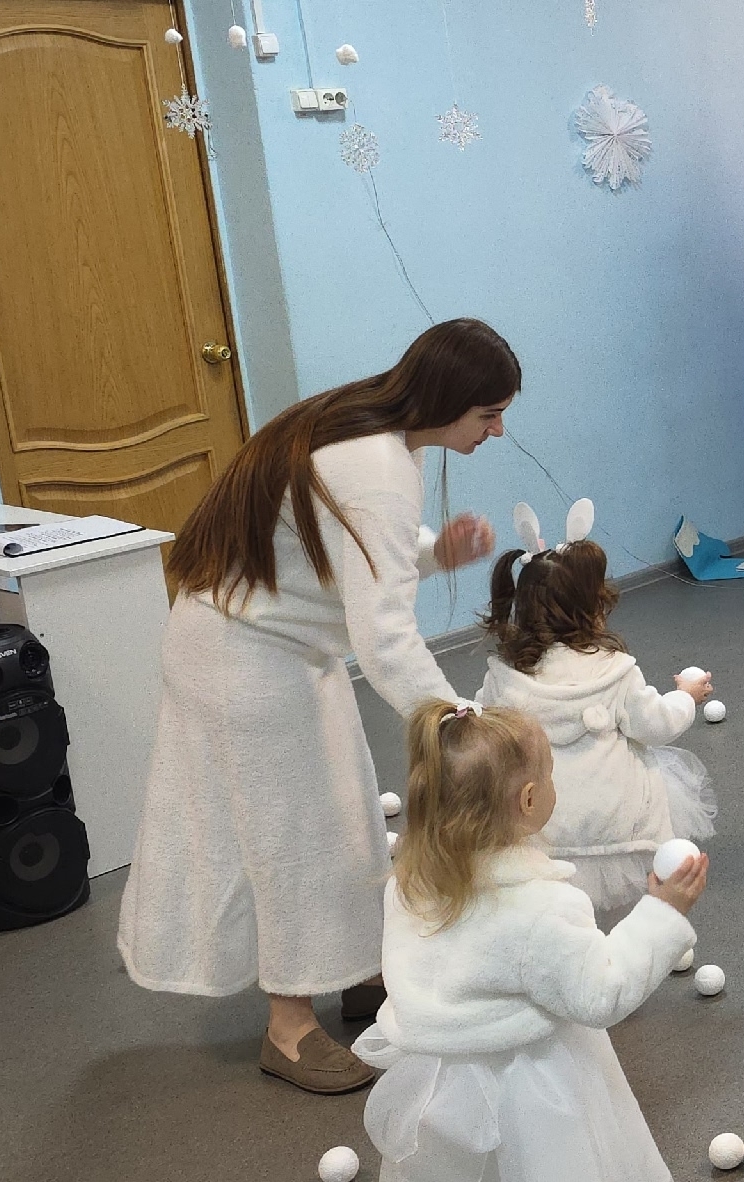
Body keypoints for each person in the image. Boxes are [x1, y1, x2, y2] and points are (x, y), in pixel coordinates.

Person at [119, 318, 516, 1094]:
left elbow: (345, 553)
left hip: (284, 645)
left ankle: (359, 970)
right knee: (291, 836)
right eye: (489, 414)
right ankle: (289, 1028)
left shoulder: (380, 437)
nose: (497, 431)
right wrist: (461, 724)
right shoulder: (378, 466)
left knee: (344, 813)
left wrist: (435, 553)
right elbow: (385, 637)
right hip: (240, 654)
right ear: (448, 400)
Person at [353, 702, 707, 1182]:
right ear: (528, 800)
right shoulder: (540, 907)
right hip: (536, 1088)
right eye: (550, 775)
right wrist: (662, 912)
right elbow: (603, 991)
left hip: (441, 1089)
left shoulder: (407, 886)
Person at [474, 498, 717, 921]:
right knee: (629, 911)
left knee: (552, 913)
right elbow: (656, 726)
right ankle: (642, 944)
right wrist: (685, 696)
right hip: (617, 820)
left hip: (540, 826)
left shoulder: (505, 676)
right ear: (592, 606)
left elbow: (482, 729)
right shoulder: (614, 670)